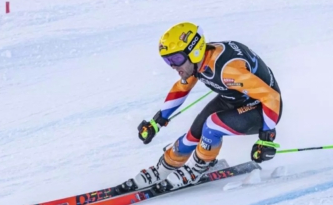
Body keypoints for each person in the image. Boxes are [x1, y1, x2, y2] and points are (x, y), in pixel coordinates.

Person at [117, 22, 282, 193]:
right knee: (193, 134)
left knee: (212, 125)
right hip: (234, 99)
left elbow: (271, 96)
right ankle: (163, 170)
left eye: (176, 59)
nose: (173, 66)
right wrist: (157, 121)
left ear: (194, 51)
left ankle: (198, 167)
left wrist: (267, 137)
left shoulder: (227, 70)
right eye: (168, 60)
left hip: (263, 108)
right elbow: (181, 88)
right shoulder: (198, 62)